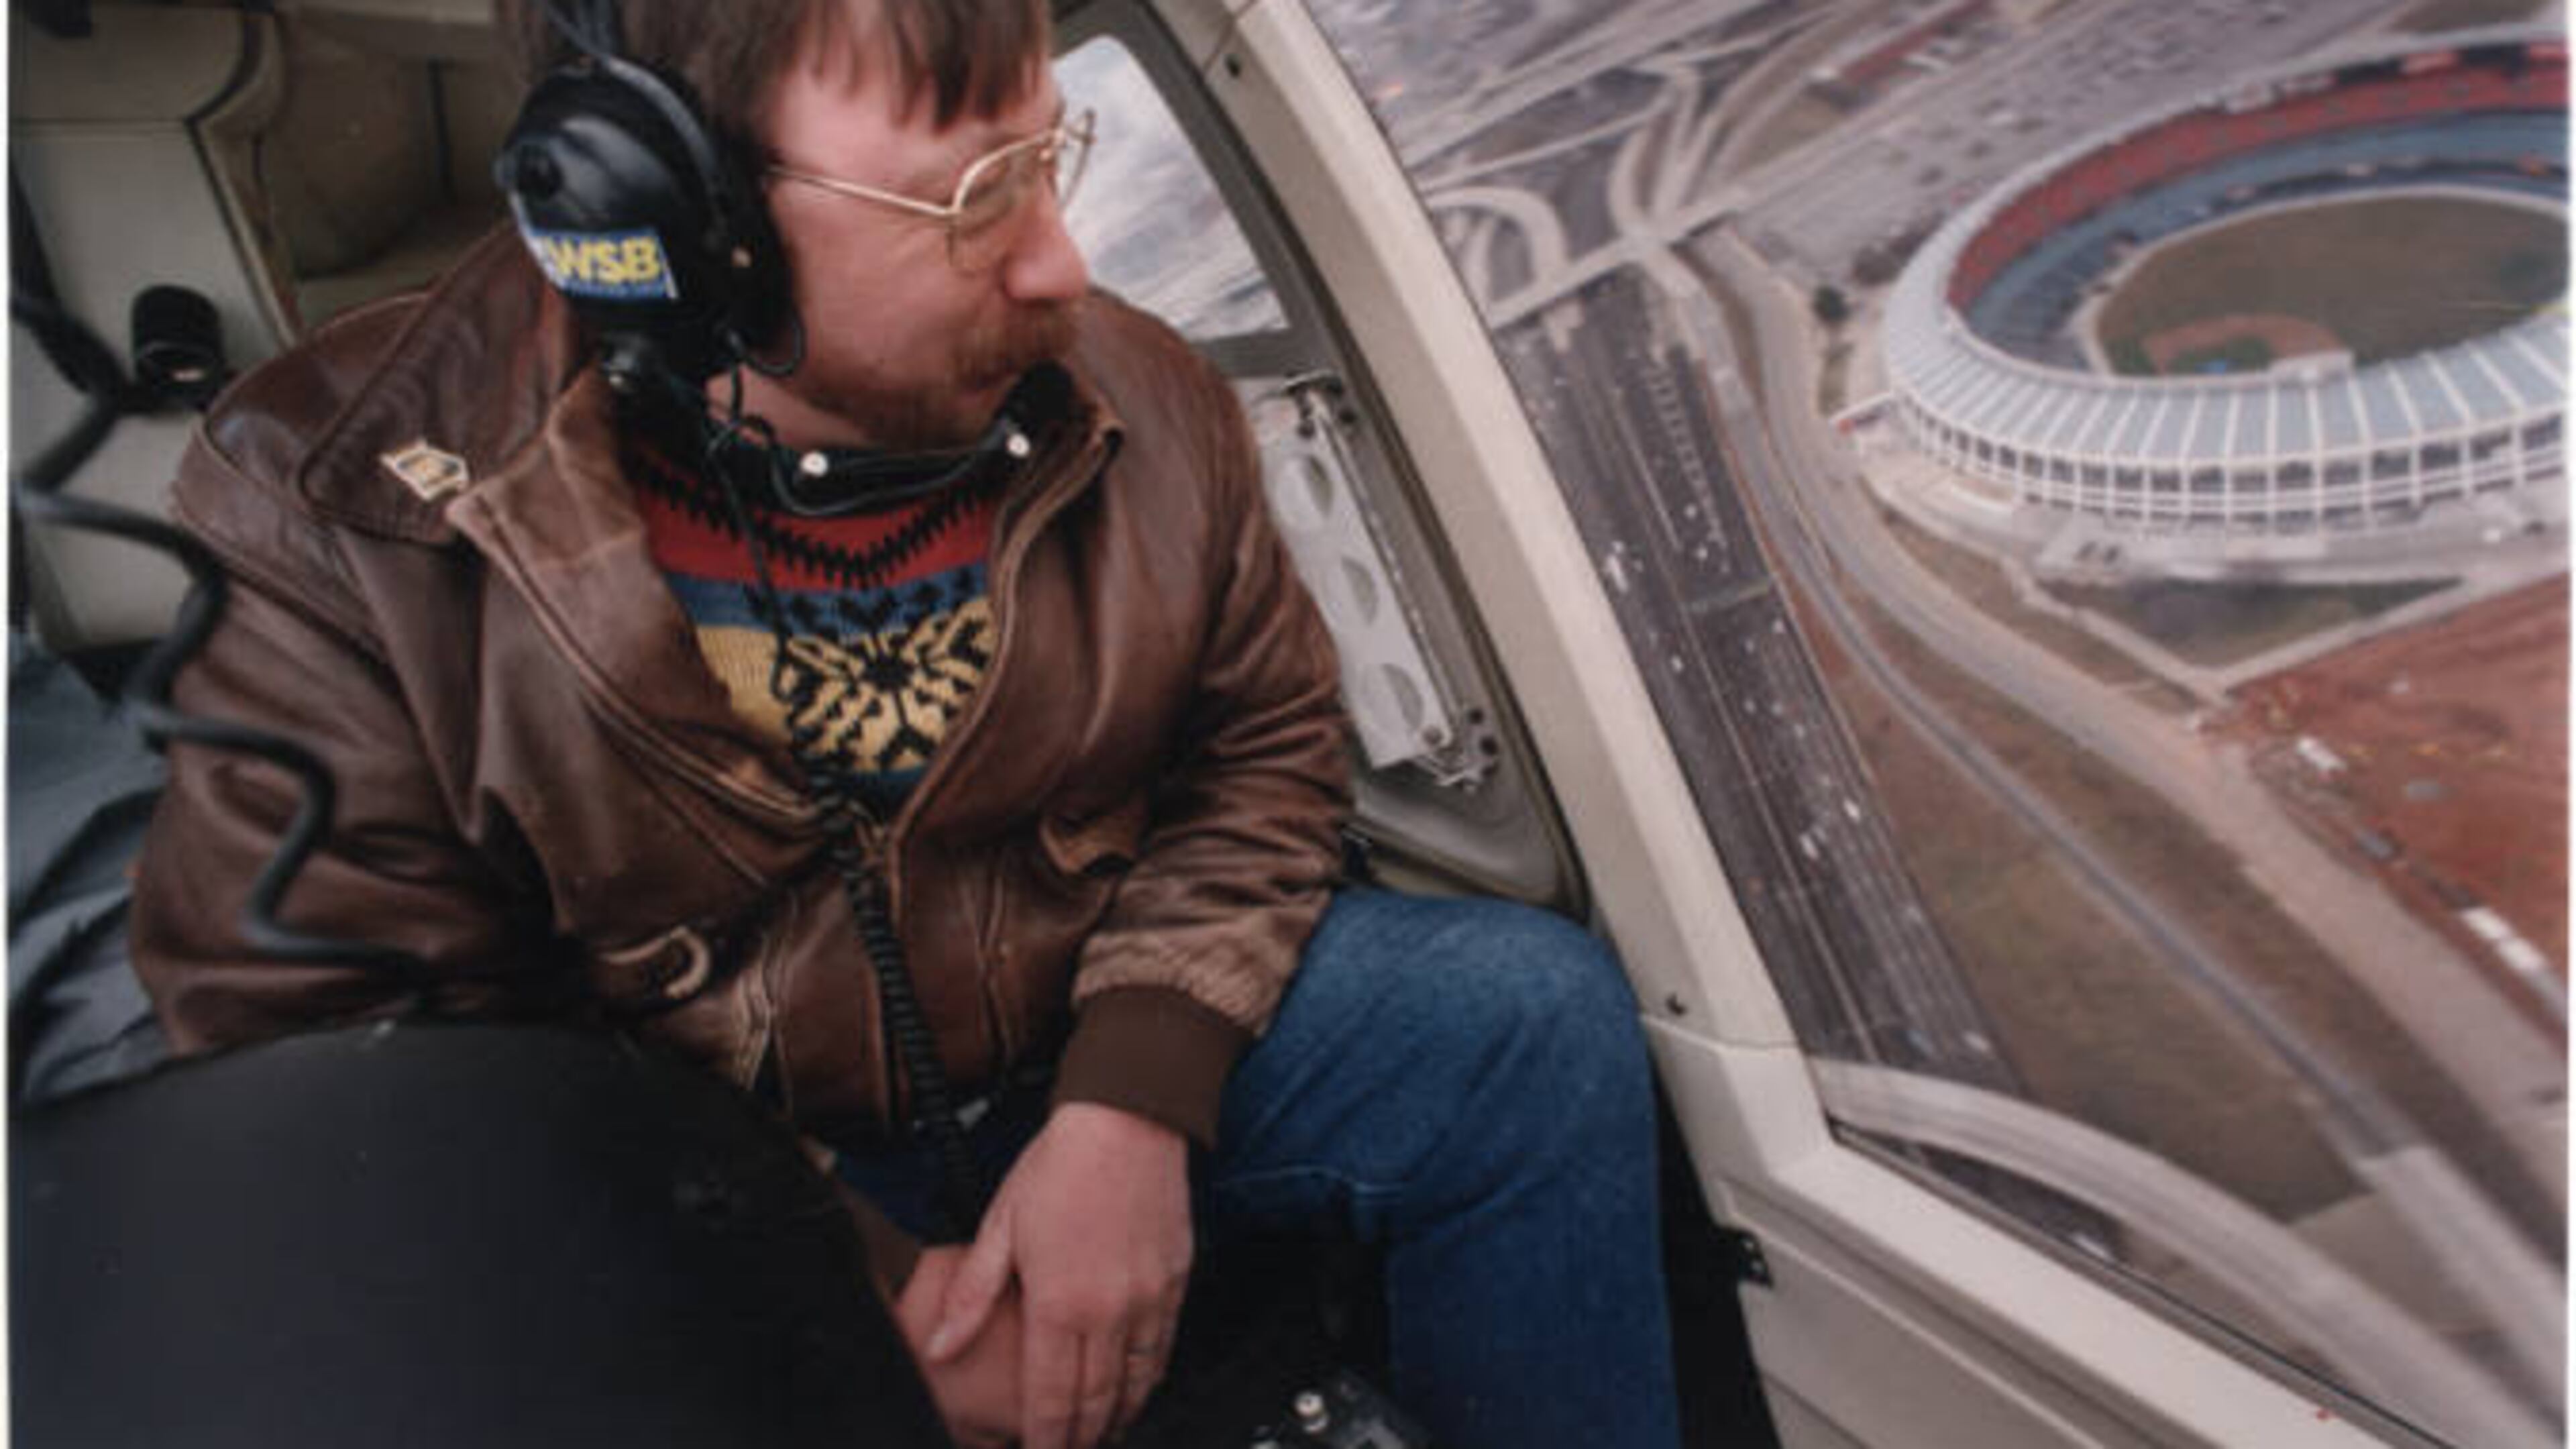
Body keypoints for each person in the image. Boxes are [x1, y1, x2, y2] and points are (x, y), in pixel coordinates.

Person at [128, 1, 1683, 1445]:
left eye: (1049, 152)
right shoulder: (340, 515)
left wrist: (1133, 1104)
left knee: (1522, 1022)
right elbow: (378, 1073)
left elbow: (1262, 747)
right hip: (714, 1174)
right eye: (977, 194)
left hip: (1074, 1030)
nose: (1061, 265)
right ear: (677, 226)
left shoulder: (1139, 395)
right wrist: (846, 1285)